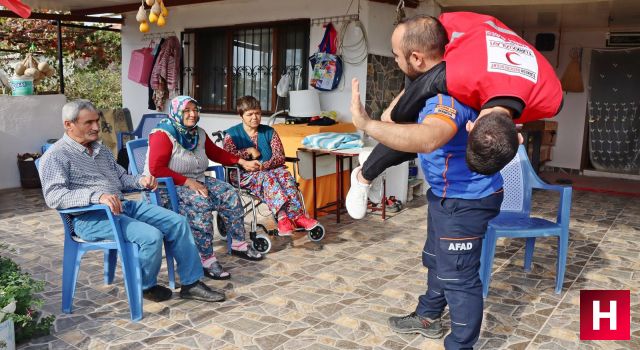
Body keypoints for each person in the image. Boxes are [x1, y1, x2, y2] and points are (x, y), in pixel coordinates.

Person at [349, 16, 508, 349]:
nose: (394, 61)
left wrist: (366, 123)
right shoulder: (431, 84)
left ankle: (460, 345)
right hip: (446, 194)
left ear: (417, 58)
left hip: (466, 200)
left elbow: (427, 138)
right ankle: (428, 317)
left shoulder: (445, 98)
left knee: (459, 278)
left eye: (396, 55)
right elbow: (398, 116)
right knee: (437, 259)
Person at [346, 12, 562, 219]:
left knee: (431, 133)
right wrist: (386, 118)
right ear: (519, 138)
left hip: (493, 50)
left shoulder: (551, 98)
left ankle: (367, 168)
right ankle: (364, 176)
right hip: (459, 28)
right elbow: (420, 89)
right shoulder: (457, 74)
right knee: (404, 119)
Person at [39, 99, 223, 303]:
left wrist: (141, 181)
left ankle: (191, 283)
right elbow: (54, 196)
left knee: (177, 222)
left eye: (97, 121)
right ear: (68, 124)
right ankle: (145, 286)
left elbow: (121, 178)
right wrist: (96, 197)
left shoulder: (100, 150)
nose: (96, 127)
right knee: (151, 236)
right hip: (90, 218)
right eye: (88, 123)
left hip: (123, 206)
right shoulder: (56, 156)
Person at [146, 95, 264, 280]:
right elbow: (156, 169)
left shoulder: (197, 132)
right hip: (166, 187)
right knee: (200, 203)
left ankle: (239, 244)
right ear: (176, 112)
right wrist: (188, 183)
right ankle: (206, 258)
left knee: (229, 193)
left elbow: (214, 152)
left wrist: (240, 161)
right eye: (186, 111)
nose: (192, 114)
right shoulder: (163, 134)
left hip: (196, 179)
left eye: (195, 110)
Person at [222, 96, 320, 236]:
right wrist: (248, 152)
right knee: (268, 177)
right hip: (242, 175)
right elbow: (228, 157)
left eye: (257, 113)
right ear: (241, 115)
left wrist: (264, 165)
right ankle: (282, 217)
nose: (255, 117)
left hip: (269, 170)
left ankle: (297, 217)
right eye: (250, 114)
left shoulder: (269, 132)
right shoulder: (232, 134)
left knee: (285, 176)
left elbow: (280, 156)